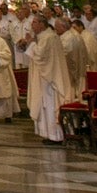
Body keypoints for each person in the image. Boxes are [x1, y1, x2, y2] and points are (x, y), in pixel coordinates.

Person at [27, 13, 73, 145]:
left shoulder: (49, 38)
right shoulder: (46, 37)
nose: (32, 25)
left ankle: (55, 135)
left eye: (34, 22)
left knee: (50, 105)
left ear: (42, 24)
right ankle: (49, 134)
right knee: (45, 106)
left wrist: (31, 44)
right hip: (45, 77)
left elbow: (41, 56)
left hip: (49, 80)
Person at [59, 16, 89, 96]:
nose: (55, 29)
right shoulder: (72, 35)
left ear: (63, 27)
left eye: (57, 27)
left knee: (74, 89)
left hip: (73, 69)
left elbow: (65, 54)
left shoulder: (69, 37)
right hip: (78, 66)